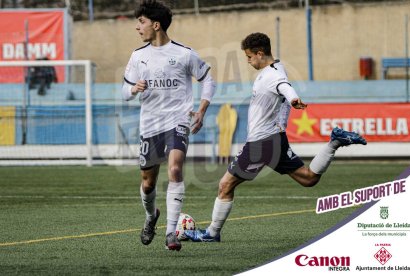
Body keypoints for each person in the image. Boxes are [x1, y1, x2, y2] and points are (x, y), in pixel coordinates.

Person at [184, 32, 366, 242]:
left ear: (260, 54)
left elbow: (284, 87)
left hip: (261, 143)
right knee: (308, 179)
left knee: (225, 185)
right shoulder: (278, 67)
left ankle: (211, 234)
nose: (249, 61)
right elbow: (282, 87)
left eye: (250, 57)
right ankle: (334, 142)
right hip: (274, 139)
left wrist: (294, 98)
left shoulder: (271, 75)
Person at [121, 0, 216, 251]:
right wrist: (133, 88)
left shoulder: (184, 53)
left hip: (177, 120)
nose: (137, 27)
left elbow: (208, 79)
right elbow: (123, 91)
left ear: (156, 24)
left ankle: (171, 234)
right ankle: (152, 216)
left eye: (141, 22)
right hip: (150, 124)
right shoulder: (138, 56)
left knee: (175, 170)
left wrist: (203, 109)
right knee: (148, 183)